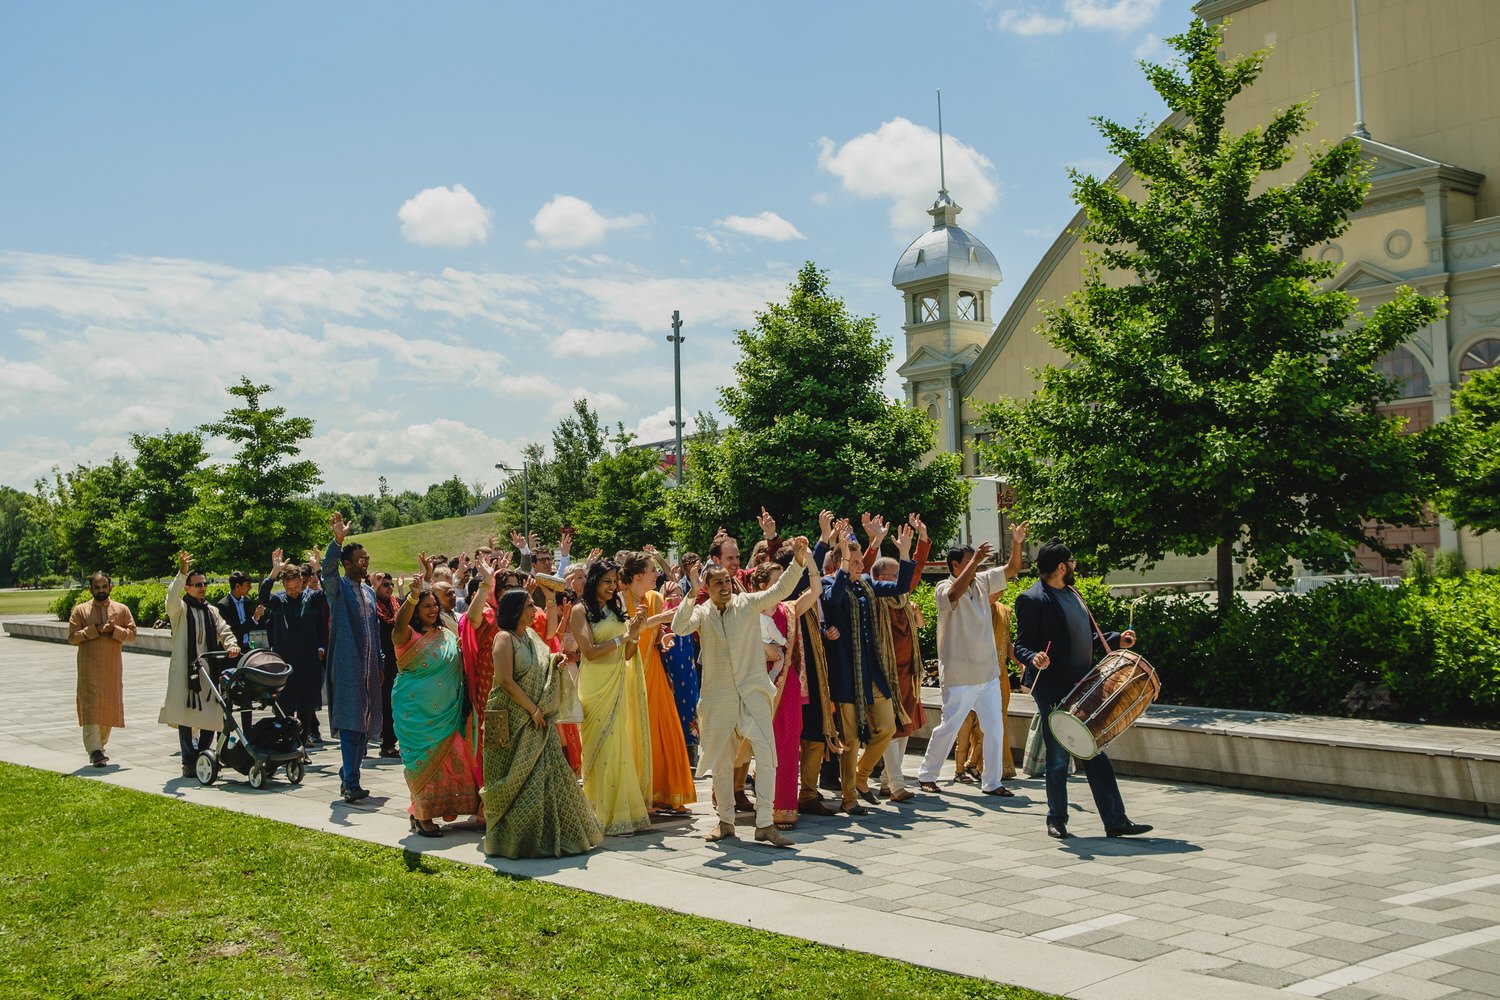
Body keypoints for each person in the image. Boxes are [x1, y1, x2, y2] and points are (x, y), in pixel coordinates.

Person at [671, 535, 811, 848]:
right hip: (719, 700)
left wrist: (800, 560)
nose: (724, 585)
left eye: (726, 580)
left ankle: (764, 825)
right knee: (721, 763)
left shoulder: (747, 603)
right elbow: (680, 627)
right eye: (716, 582)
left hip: (753, 695)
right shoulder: (703, 611)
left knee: (767, 756)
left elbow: (780, 590)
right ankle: (725, 823)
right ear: (707, 586)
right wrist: (691, 595)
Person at [1014, 540, 1153, 839]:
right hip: (1053, 689)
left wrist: (1117, 639)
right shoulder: (1032, 599)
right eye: (1072, 561)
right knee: (1059, 755)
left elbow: (1087, 635)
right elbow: (1021, 644)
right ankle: (1056, 819)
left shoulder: (1073, 594)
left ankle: (1115, 821)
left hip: (1084, 684)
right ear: (1062, 566)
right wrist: (1033, 657)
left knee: (1094, 751)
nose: (1075, 566)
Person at [482, 587, 604, 859]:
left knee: (550, 774)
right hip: (511, 719)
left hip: (537, 720)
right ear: (515, 610)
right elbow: (504, 681)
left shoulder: (530, 635)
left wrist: (556, 659)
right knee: (514, 777)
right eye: (528, 606)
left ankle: (554, 835)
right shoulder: (504, 638)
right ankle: (514, 839)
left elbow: (543, 659)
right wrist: (533, 709)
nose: (532, 610)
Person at [914, 523, 1028, 797]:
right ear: (955, 566)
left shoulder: (982, 580)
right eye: (967, 562)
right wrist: (975, 560)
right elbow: (953, 596)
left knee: (995, 729)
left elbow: (1012, 569)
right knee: (950, 726)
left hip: (987, 674)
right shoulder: (944, 586)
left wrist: (1016, 542)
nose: (974, 566)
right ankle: (927, 774)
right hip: (959, 675)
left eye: (974, 561)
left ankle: (992, 782)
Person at [820, 521, 916, 813]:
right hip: (847, 675)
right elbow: (833, 598)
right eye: (855, 561)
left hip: (872, 671)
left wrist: (905, 552)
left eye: (862, 560)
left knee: (887, 727)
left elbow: (901, 586)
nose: (862, 565)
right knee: (849, 739)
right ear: (840, 562)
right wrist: (844, 563)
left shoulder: (866, 584)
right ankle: (849, 797)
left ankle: (861, 777)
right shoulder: (829, 584)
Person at [390, 575, 480, 836]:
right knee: (421, 763)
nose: (432, 610)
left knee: (453, 759)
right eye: (425, 606)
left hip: (448, 711)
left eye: (434, 606)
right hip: (416, 712)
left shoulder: (445, 634)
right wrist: (412, 596)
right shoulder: (407, 635)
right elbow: (398, 627)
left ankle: (428, 810)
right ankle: (423, 815)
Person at [569, 559, 653, 836]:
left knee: (618, 747)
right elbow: (589, 651)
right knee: (599, 746)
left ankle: (620, 814)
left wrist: (635, 634)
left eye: (615, 581)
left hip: (617, 683)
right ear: (594, 581)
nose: (612, 587)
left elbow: (628, 655)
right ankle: (598, 811)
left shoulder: (616, 610)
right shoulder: (580, 611)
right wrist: (622, 638)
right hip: (594, 686)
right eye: (607, 581)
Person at [621, 552, 696, 815]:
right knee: (637, 731)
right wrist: (657, 623)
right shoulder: (620, 599)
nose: (657, 574)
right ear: (638, 575)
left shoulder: (654, 598)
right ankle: (642, 794)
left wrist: (661, 637)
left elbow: (654, 630)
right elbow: (627, 633)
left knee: (665, 729)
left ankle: (666, 792)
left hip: (653, 668)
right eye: (653, 570)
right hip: (629, 671)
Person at [749, 557, 822, 829]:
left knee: (788, 740)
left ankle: (784, 808)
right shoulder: (748, 608)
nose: (784, 586)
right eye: (778, 581)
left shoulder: (789, 609)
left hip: (786, 682)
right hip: (755, 681)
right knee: (758, 744)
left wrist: (811, 561)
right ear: (762, 585)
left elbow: (815, 591)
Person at [160, 551, 240, 776]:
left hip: (208, 670)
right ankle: (188, 761)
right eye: (197, 584)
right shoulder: (180, 610)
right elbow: (171, 597)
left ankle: (205, 755)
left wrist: (231, 644)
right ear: (187, 587)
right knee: (185, 716)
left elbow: (224, 630)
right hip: (186, 671)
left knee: (211, 715)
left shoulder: (211, 610)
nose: (202, 587)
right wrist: (182, 572)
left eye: (204, 583)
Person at [871, 514, 932, 802]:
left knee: (905, 727)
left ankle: (886, 781)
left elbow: (915, 569)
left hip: (908, 674)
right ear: (880, 579)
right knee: (888, 728)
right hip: (883, 674)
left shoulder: (904, 599)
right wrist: (876, 541)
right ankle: (896, 783)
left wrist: (919, 541)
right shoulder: (872, 598)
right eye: (892, 577)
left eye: (899, 576)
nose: (899, 582)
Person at [323, 513, 383, 802]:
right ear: (347, 563)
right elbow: (327, 572)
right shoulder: (339, 590)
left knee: (364, 726)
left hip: (370, 668)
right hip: (348, 666)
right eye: (360, 559)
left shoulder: (369, 592)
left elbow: (375, 630)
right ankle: (351, 782)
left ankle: (348, 773)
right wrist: (337, 541)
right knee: (350, 722)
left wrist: (380, 663)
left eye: (366, 558)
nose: (365, 562)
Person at [259, 550, 329, 747]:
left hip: (309, 663)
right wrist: (273, 573)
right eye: (290, 588)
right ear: (284, 586)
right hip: (285, 663)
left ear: (302, 582)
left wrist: (318, 569)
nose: (294, 592)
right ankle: (287, 746)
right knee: (285, 709)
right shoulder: (280, 601)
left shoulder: (311, 598)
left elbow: (330, 592)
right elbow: (264, 597)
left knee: (306, 709)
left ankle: (301, 745)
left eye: (297, 587)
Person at [67, 572, 137, 766]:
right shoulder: (80, 611)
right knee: (91, 708)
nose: (100, 590)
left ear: (110, 587)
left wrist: (114, 630)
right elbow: (72, 637)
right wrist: (94, 630)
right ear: (90, 589)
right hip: (89, 669)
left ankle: (100, 747)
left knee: (107, 708)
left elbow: (132, 634)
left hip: (111, 669)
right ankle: (94, 750)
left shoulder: (121, 610)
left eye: (103, 587)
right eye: (96, 587)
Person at [371, 572, 400, 757]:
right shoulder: (371, 606)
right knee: (376, 704)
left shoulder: (395, 605)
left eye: (390, 584)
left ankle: (389, 743)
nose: (388, 587)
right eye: (384, 584)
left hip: (395, 661)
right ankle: (367, 741)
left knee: (392, 703)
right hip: (376, 661)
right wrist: (373, 589)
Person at [216, 571, 263, 647]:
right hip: (233, 650)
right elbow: (232, 632)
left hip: (247, 646)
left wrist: (259, 615)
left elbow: (251, 625)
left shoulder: (247, 600)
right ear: (237, 586)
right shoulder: (223, 605)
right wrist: (254, 619)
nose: (250, 588)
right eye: (248, 585)